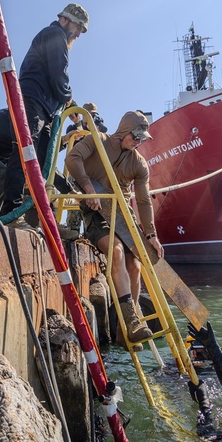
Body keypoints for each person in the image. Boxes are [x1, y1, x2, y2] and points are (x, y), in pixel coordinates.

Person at [65, 110, 164, 345]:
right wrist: (89, 189)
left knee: (135, 265)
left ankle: (127, 327)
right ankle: (131, 318)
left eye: (142, 138)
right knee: (116, 250)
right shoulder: (98, 140)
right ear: (123, 131)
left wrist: (151, 234)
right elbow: (72, 159)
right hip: (95, 210)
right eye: (135, 136)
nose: (138, 142)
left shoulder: (139, 164)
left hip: (123, 215)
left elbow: (143, 200)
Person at [1, 3, 89, 214]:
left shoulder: (53, 36)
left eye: (81, 30)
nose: (77, 33)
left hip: (43, 106)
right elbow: (59, 75)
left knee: (43, 160)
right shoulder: (55, 34)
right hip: (34, 102)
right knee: (25, 152)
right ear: (64, 19)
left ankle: (46, 210)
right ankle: (10, 212)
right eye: (77, 26)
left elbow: (58, 77)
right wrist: (71, 103)